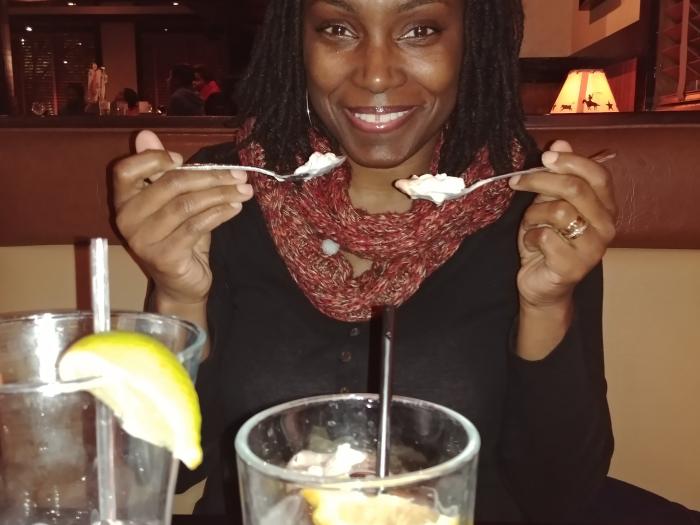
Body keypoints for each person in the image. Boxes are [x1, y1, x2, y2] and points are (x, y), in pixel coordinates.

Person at [113, 1, 700, 524]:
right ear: (298, 41)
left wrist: (547, 304)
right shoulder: (226, 193)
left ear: (473, 40)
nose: (375, 73)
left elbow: (560, 496)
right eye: (338, 29)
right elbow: (161, 473)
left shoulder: (535, 209)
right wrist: (177, 296)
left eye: (420, 30)